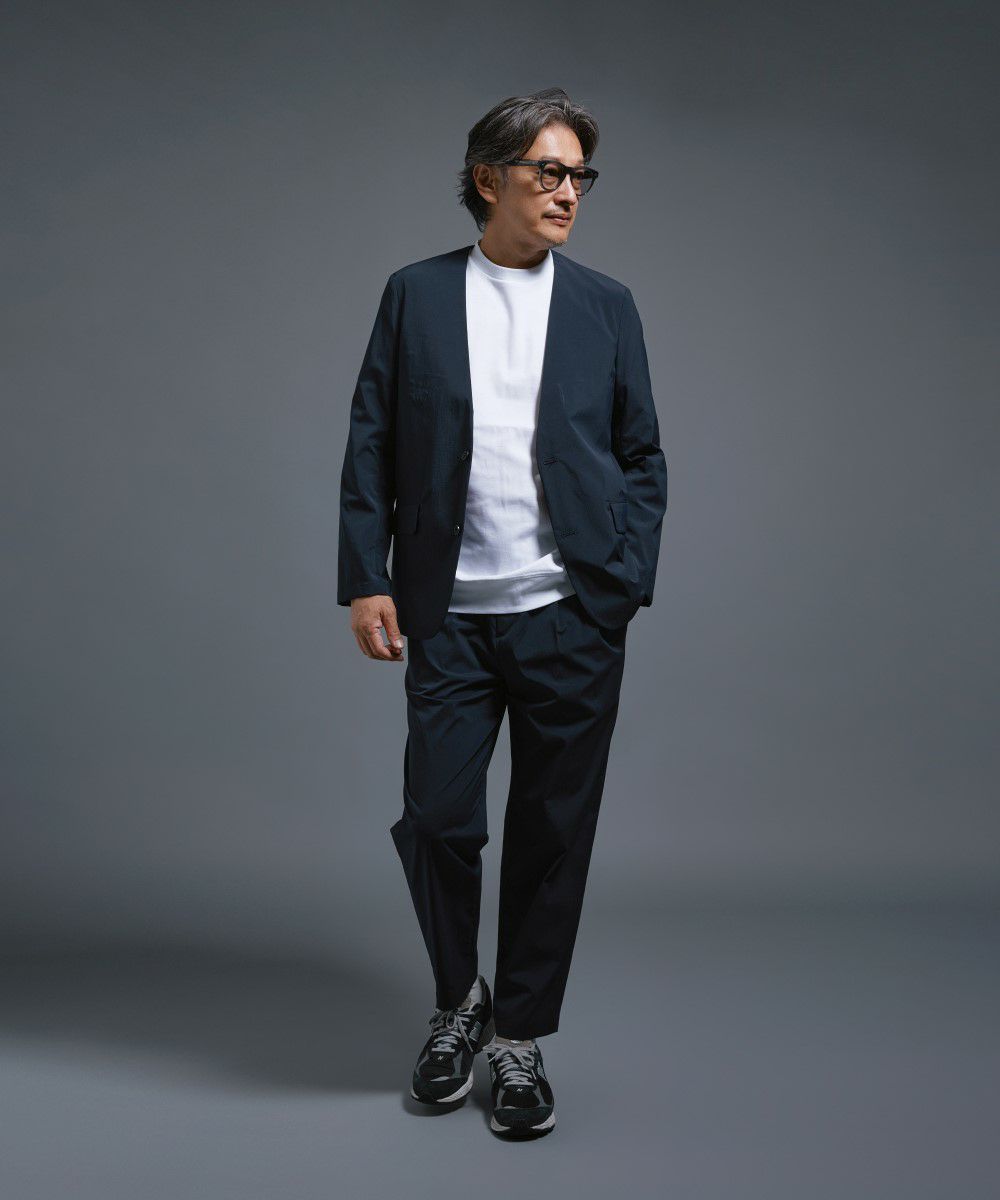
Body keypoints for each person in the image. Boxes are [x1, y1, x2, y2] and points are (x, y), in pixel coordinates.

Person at [337, 87, 668, 1138]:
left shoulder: (606, 305)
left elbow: (642, 455)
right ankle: (459, 1001)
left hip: (570, 614)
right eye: (548, 172)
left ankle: (518, 1037)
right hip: (448, 616)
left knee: (552, 833)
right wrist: (367, 576)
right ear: (489, 179)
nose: (569, 192)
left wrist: (622, 583)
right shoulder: (418, 294)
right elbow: (371, 441)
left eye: (579, 176)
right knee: (438, 819)